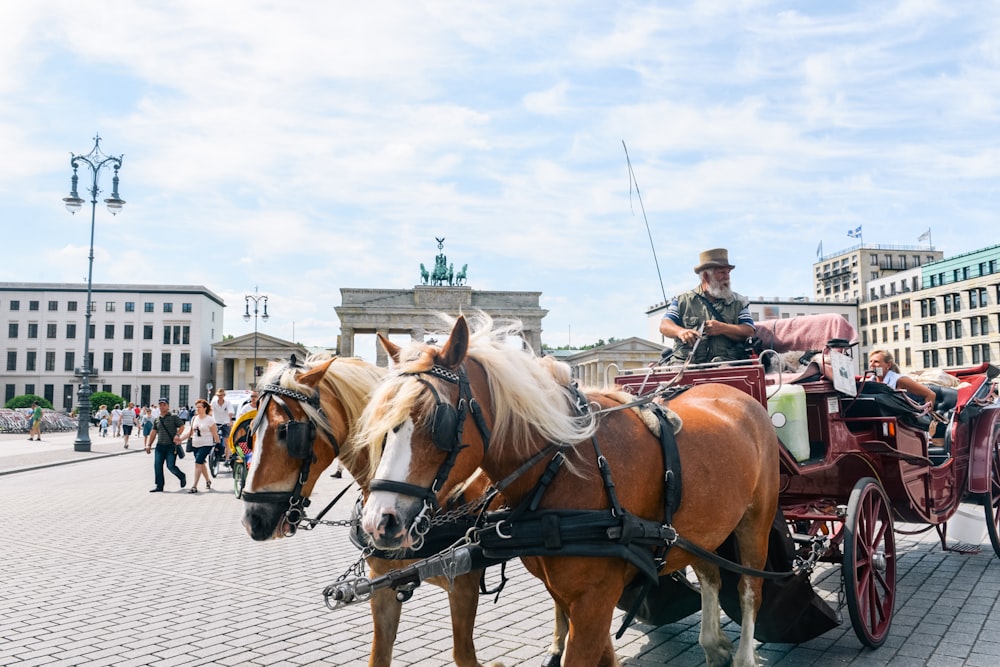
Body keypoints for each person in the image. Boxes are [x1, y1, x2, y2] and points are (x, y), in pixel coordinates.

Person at [659, 248, 756, 364]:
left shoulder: (739, 302)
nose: (727, 277)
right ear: (705, 276)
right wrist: (681, 332)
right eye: (722, 273)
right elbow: (664, 325)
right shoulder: (682, 300)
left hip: (724, 364)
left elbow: (749, 330)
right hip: (685, 364)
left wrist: (723, 328)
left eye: (728, 273)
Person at [868, 349, 935, 411]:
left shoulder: (900, 380)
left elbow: (930, 394)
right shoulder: (867, 382)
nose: (872, 365)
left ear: (888, 365)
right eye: (871, 361)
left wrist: (926, 418)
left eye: (876, 362)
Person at [144, 397, 187, 493]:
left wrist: (177, 435)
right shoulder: (157, 419)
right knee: (157, 466)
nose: (162, 406)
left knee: (170, 466)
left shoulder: (173, 417)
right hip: (160, 446)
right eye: (161, 405)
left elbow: (182, 426)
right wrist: (149, 444)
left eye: (164, 404)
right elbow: (153, 432)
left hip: (171, 446)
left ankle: (182, 476)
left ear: (168, 406)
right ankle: (159, 485)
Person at [176, 399, 218, 493]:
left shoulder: (210, 420)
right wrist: (180, 439)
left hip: (206, 444)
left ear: (205, 408)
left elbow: (215, 434)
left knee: (198, 463)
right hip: (195, 444)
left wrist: (218, 445)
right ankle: (208, 481)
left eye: (199, 407)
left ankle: (194, 486)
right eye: (197, 407)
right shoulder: (194, 418)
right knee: (201, 463)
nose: (197, 409)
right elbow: (190, 433)